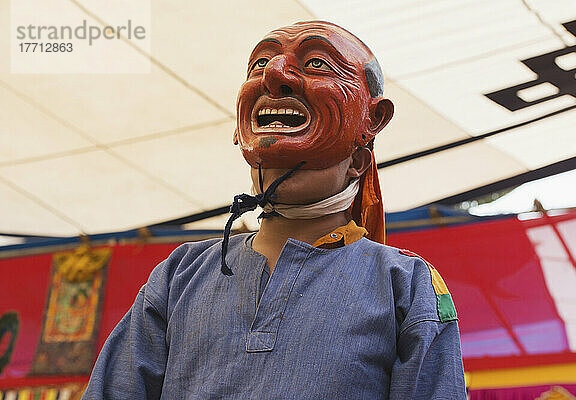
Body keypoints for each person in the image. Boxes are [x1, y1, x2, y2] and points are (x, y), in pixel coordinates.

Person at [83, 21, 467, 399]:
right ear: (240, 131)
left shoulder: (407, 286)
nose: (276, 75)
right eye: (261, 64)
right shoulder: (179, 276)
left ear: (360, 158)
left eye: (317, 63)